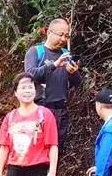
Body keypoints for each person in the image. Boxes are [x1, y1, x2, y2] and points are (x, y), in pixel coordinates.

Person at [24, 17, 82, 151]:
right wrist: (54, 65)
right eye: (60, 35)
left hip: (61, 110)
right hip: (40, 108)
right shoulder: (36, 52)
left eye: (66, 36)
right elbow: (30, 75)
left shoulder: (66, 54)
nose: (63, 39)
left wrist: (74, 73)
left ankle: (53, 172)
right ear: (49, 32)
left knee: (57, 148)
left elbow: (77, 83)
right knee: (38, 147)